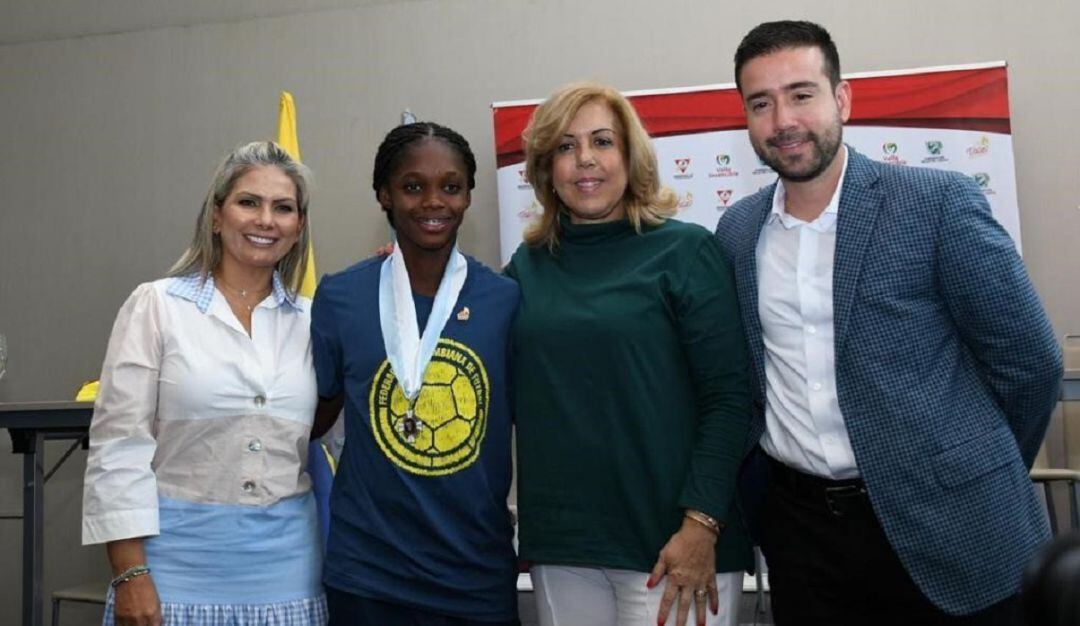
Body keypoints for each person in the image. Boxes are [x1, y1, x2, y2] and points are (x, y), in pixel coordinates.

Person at [714, 20, 1064, 625]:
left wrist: (969, 464)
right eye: (761, 104)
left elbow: (1030, 363)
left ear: (841, 98)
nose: (783, 121)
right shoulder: (738, 231)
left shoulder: (936, 204)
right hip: (803, 540)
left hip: (954, 528)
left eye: (802, 94)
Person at [506, 81, 752, 626]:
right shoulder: (526, 268)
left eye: (602, 141)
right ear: (545, 169)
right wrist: (407, 274)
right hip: (564, 547)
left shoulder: (686, 251)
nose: (585, 160)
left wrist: (701, 526)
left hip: (674, 546)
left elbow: (732, 398)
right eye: (565, 147)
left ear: (630, 155)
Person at [82, 141, 325, 626]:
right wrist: (129, 574)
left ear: (298, 229)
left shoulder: (316, 322)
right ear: (217, 216)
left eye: (283, 208)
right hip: (171, 572)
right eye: (248, 202)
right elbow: (118, 447)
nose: (265, 220)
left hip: (289, 574)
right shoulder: (156, 306)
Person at [309, 122, 520, 626]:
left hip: (475, 572)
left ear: (469, 195)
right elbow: (312, 417)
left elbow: (534, 422)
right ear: (383, 194)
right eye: (412, 186)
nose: (433, 202)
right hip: (368, 574)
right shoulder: (341, 297)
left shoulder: (505, 299)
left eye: (450, 187)